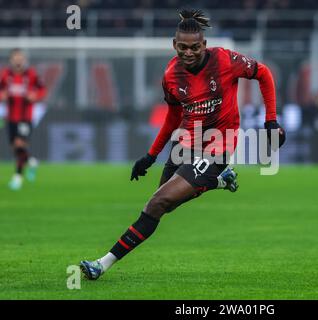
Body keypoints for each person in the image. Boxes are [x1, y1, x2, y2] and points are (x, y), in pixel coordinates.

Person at [80, 9, 286, 280]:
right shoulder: (171, 76)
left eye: (195, 48)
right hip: (185, 143)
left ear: (204, 45)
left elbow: (263, 73)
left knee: (157, 202)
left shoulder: (225, 59)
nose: (188, 53)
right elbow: (174, 117)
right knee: (165, 204)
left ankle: (101, 264)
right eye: (183, 47)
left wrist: (270, 120)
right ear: (174, 45)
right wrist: (151, 155)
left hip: (218, 145)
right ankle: (220, 181)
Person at [0, 49, 47, 190]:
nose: (18, 60)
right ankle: (32, 162)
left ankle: (17, 178)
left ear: (24, 60)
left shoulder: (31, 75)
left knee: (20, 144)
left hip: (26, 117)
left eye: (20, 58)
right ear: (11, 60)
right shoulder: (5, 75)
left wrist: (35, 96)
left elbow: (42, 90)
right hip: (11, 117)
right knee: (16, 148)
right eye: (15, 58)